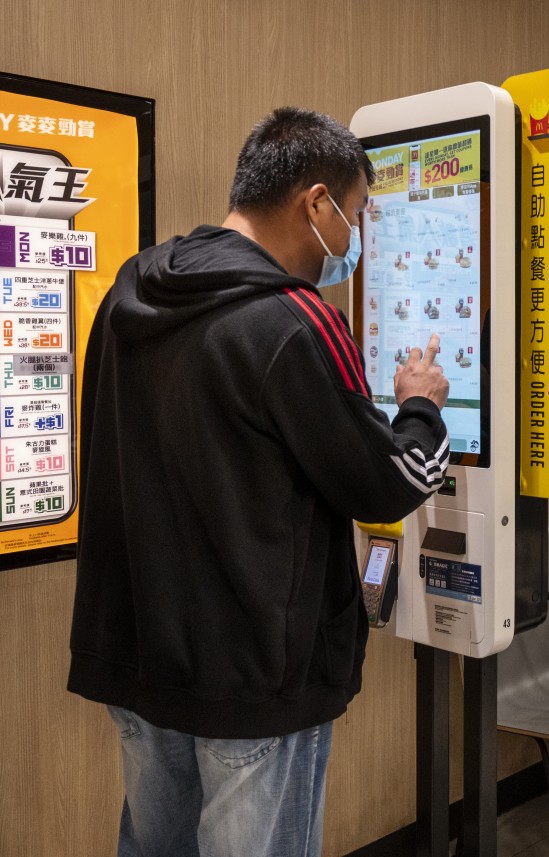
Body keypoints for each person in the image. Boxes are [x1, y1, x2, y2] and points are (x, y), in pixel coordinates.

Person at [68, 107, 451, 857]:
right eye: (359, 215)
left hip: (141, 663)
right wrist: (420, 405)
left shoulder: (127, 295)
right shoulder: (292, 321)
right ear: (316, 203)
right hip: (254, 682)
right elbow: (388, 481)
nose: (355, 241)